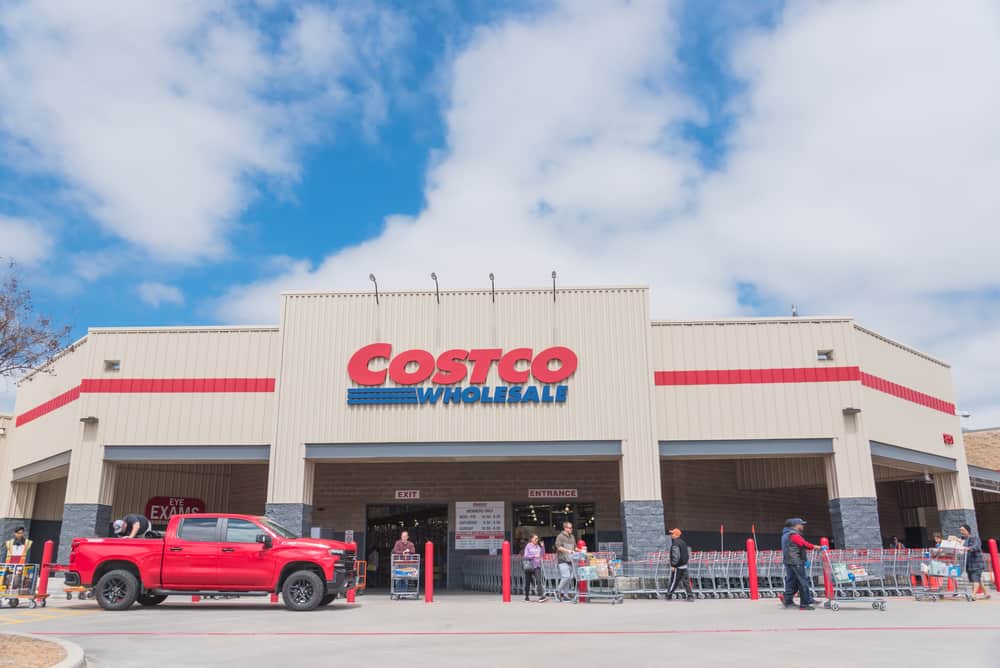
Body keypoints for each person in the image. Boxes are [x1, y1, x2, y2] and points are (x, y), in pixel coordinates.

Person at [781, 517, 825, 610]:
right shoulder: (793, 535)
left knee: (792, 581)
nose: (803, 526)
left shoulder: (786, 534)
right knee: (802, 582)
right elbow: (804, 544)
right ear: (795, 525)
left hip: (789, 561)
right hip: (795, 561)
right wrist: (818, 547)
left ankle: (788, 599)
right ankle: (804, 604)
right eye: (801, 524)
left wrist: (805, 560)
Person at [959, 524, 991, 600]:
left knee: (975, 579)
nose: (961, 532)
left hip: (977, 563)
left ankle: (973, 595)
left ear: (968, 530)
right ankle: (986, 593)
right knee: (977, 579)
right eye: (960, 530)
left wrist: (968, 548)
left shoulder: (974, 538)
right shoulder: (964, 540)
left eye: (963, 530)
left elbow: (976, 546)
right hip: (969, 564)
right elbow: (961, 548)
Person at [666, 528, 694, 601]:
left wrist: (673, 565)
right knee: (686, 582)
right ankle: (690, 596)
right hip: (684, 565)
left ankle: (669, 594)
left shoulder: (675, 544)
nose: (671, 535)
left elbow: (676, 556)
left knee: (674, 581)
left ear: (675, 535)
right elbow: (687, 554)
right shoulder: (683, 543)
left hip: (678, 566)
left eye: (672, 534)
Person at [554, 521, 576, 602]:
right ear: (565, 528)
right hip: (562, 560)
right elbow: (558, 547)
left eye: (571, 528)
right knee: (566, 576)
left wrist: (581, 550)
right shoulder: (560, 536)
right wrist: (568, 551)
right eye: (570, 528)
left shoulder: (572, 537)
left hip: (570, 560)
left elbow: (574, 547)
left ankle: (565, 595)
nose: (571, 529)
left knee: (570, 578)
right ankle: (557, 591)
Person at [522, 534, 547, 602]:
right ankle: (526, 596)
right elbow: (526, 556)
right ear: (531, 539)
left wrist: (542, 547)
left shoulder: (538, 546)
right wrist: (534, 556)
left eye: (537, 539)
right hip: (529, 566)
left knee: (539, 580)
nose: (537, 540)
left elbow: (542, 554)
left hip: (537, 565)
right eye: (535, 539)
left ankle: (541, 595)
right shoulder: (528, 546)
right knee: (528, 581)